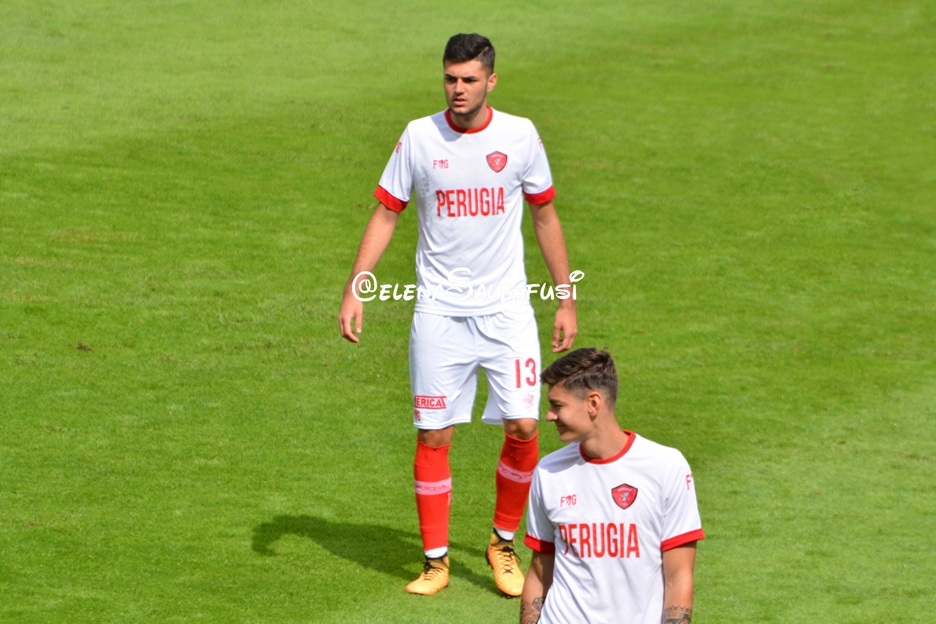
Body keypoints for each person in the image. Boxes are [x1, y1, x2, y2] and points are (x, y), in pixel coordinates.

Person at [338, 33, 577, 597]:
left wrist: (565, 296)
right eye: (450, 78)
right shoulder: (419, 137)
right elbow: (387, 213)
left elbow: (545, 215)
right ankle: (436, 562)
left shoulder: (520, 135)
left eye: (469, 79)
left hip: (507, 312)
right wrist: (357, 286)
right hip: (440, 315)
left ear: (491, 81)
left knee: (524, 426)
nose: (458, 89)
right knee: (434, 434)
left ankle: (502, 543)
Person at [521, 348, 703, 623]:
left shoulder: (666, 466)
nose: (549, 416)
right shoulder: (549, 471)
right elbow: (538, 572)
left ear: (593, 403)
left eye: (557, 405)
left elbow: (678, 577)